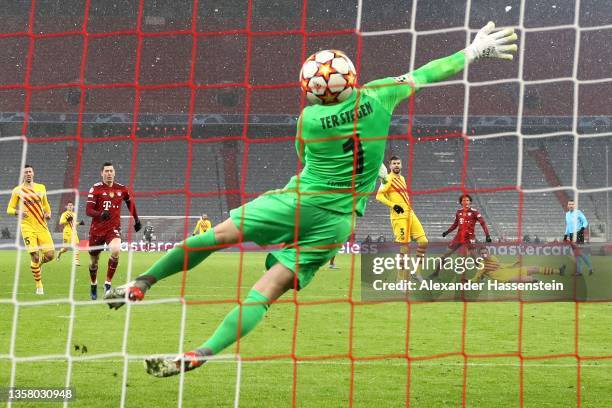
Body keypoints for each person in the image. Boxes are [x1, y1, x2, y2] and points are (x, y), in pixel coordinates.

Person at [106, 21, 518, 377]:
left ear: (313, 88)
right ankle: (203, 351)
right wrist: (473, 50)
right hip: (338, 223)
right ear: (351, 77)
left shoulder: (310, 119)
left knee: (215, 238)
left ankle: (143, 282)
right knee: (263, 294)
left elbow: (305, 157)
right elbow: (427, 73)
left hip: (300, 201)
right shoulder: (379, 96)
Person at [86, 162, 141, 300]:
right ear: (102, 173)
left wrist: (137, 220)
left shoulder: (122, 189)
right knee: (94, 262)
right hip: (96, 230)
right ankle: (93, 284)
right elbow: (88, 210)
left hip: (113, 229)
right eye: (106, 171)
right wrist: (100, 214)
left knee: (116, 250)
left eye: (111, 171)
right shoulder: (95, 189)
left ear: (114, 173)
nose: (109, 173)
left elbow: (130, 203)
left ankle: (107, 284)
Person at [376, 156, 427, 279]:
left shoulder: (402, 178)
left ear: (401, 165)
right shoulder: (387, 179)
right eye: (394, 163)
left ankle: (416, 272)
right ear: (390, 166)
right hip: (399, 217)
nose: (396, 165)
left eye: (398, 163)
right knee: (405, 248)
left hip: (410, 213)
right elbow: (379, 196)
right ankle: (400, 279)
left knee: (424, 242)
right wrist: (394, 205)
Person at [6, 164, 54, 295]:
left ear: (33, 173)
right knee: (34, 254)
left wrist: (48, 213)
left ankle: (38, 265)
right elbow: (9, 209)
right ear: (23, 175)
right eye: (26, 172)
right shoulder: (17, 190)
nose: (28, 174)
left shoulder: (41, 187)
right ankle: (39, 285)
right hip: (27, 227)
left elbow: (46, 204)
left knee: (50, 255)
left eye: (30, 172)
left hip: (42, 226)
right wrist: (18, 212)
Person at [430, 194, 491, 279]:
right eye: (463, 200)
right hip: (458, 237)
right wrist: (447, 231)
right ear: (461, 202)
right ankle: (435, 273)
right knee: (444, 256)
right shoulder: (459, 212)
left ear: (470, 202)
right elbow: (455, 224)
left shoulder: (474, 212)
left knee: (475, 259)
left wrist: (487, 235)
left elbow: (483, 223)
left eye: (467, 200)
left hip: (469, 237)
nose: (465, 202)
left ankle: (483, 275)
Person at [563, 200, 592, 275]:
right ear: (568, 206)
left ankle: (590, 267)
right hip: (572, 235)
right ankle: (579, 271)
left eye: (572, 204)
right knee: (576, 254)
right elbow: (568, 226)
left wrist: (582, 229)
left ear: (574, 205)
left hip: (579, 234)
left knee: (580, 253)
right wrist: (566, 235)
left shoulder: (578, 212)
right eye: (570, 204)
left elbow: (585, 222)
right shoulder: (567, 214)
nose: (571, 205)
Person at [57, 201, 84, 266]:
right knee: (65, 249)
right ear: (67, 206)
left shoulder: (74, 214)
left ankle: (76, 261)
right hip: (67, 232)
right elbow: (60, 222)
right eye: (69, 205)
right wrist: (67, 221)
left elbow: (73, 223)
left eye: (71, 205)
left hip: (74, 232)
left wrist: (79, 223)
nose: (70, 206)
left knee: (76, 246)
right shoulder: (64, 214)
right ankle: (59, 253)